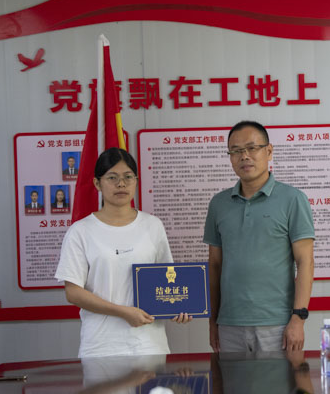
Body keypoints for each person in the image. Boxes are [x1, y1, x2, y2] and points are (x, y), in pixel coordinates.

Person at [55, 147, 191, 357]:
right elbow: (73, 292)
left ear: (136, 181)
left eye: (128, 177)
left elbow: (167, 279)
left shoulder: (153, 225)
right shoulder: (80, 231)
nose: (121, 184)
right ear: (97, 183)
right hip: (101, 347)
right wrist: (123, 312)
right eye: (112, 177)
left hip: (149, 344)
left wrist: (180, 307)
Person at [203, 121, 315, 353]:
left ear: (269, 151)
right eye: (236, 150)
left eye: (252, 148)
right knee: (231, 379)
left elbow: (305, 261)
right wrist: (213, 321)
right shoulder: (219, 204)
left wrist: (298, 319)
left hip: (278, 324)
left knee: (279, 379)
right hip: (229, 323)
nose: (244, 156)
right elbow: (214, 265)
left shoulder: (293, 199)